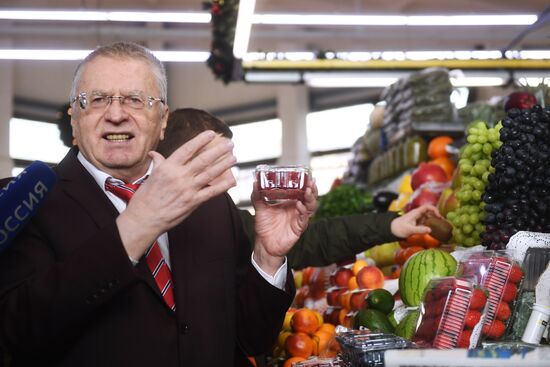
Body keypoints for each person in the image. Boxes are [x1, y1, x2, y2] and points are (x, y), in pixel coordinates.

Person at [0, 42, 317, 367]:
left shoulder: (208, 203)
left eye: (136, 100)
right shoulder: (27, 203)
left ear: (163, 119)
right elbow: (19, 334)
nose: (116, 114)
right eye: (96, 100)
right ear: (74, 117)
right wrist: (138, 224)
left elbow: (252, 337)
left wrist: (268, 257)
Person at [157, 108, 442, 270]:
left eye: (228, 164)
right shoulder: (135, 226)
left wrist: (391, 224)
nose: (229, 178)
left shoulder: (224, 219)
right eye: (215, 163)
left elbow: (308, 242)